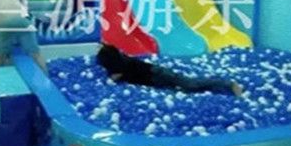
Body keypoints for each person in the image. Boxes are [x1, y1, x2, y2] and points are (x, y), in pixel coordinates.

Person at [97, 44, 242, 96]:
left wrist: (115, 76)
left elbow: (116, 76)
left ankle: (230, 84)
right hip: (157, 80)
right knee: (189, 90)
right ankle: (217, 89)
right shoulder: (119, 63)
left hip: (159, 74)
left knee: (192, 84)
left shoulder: (123, 65)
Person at [0, 0, 47, 73]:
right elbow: (25, 13)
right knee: (35, 53)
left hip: (3, 23)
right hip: (24, 21)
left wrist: (0, 42)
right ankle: (46, 75)